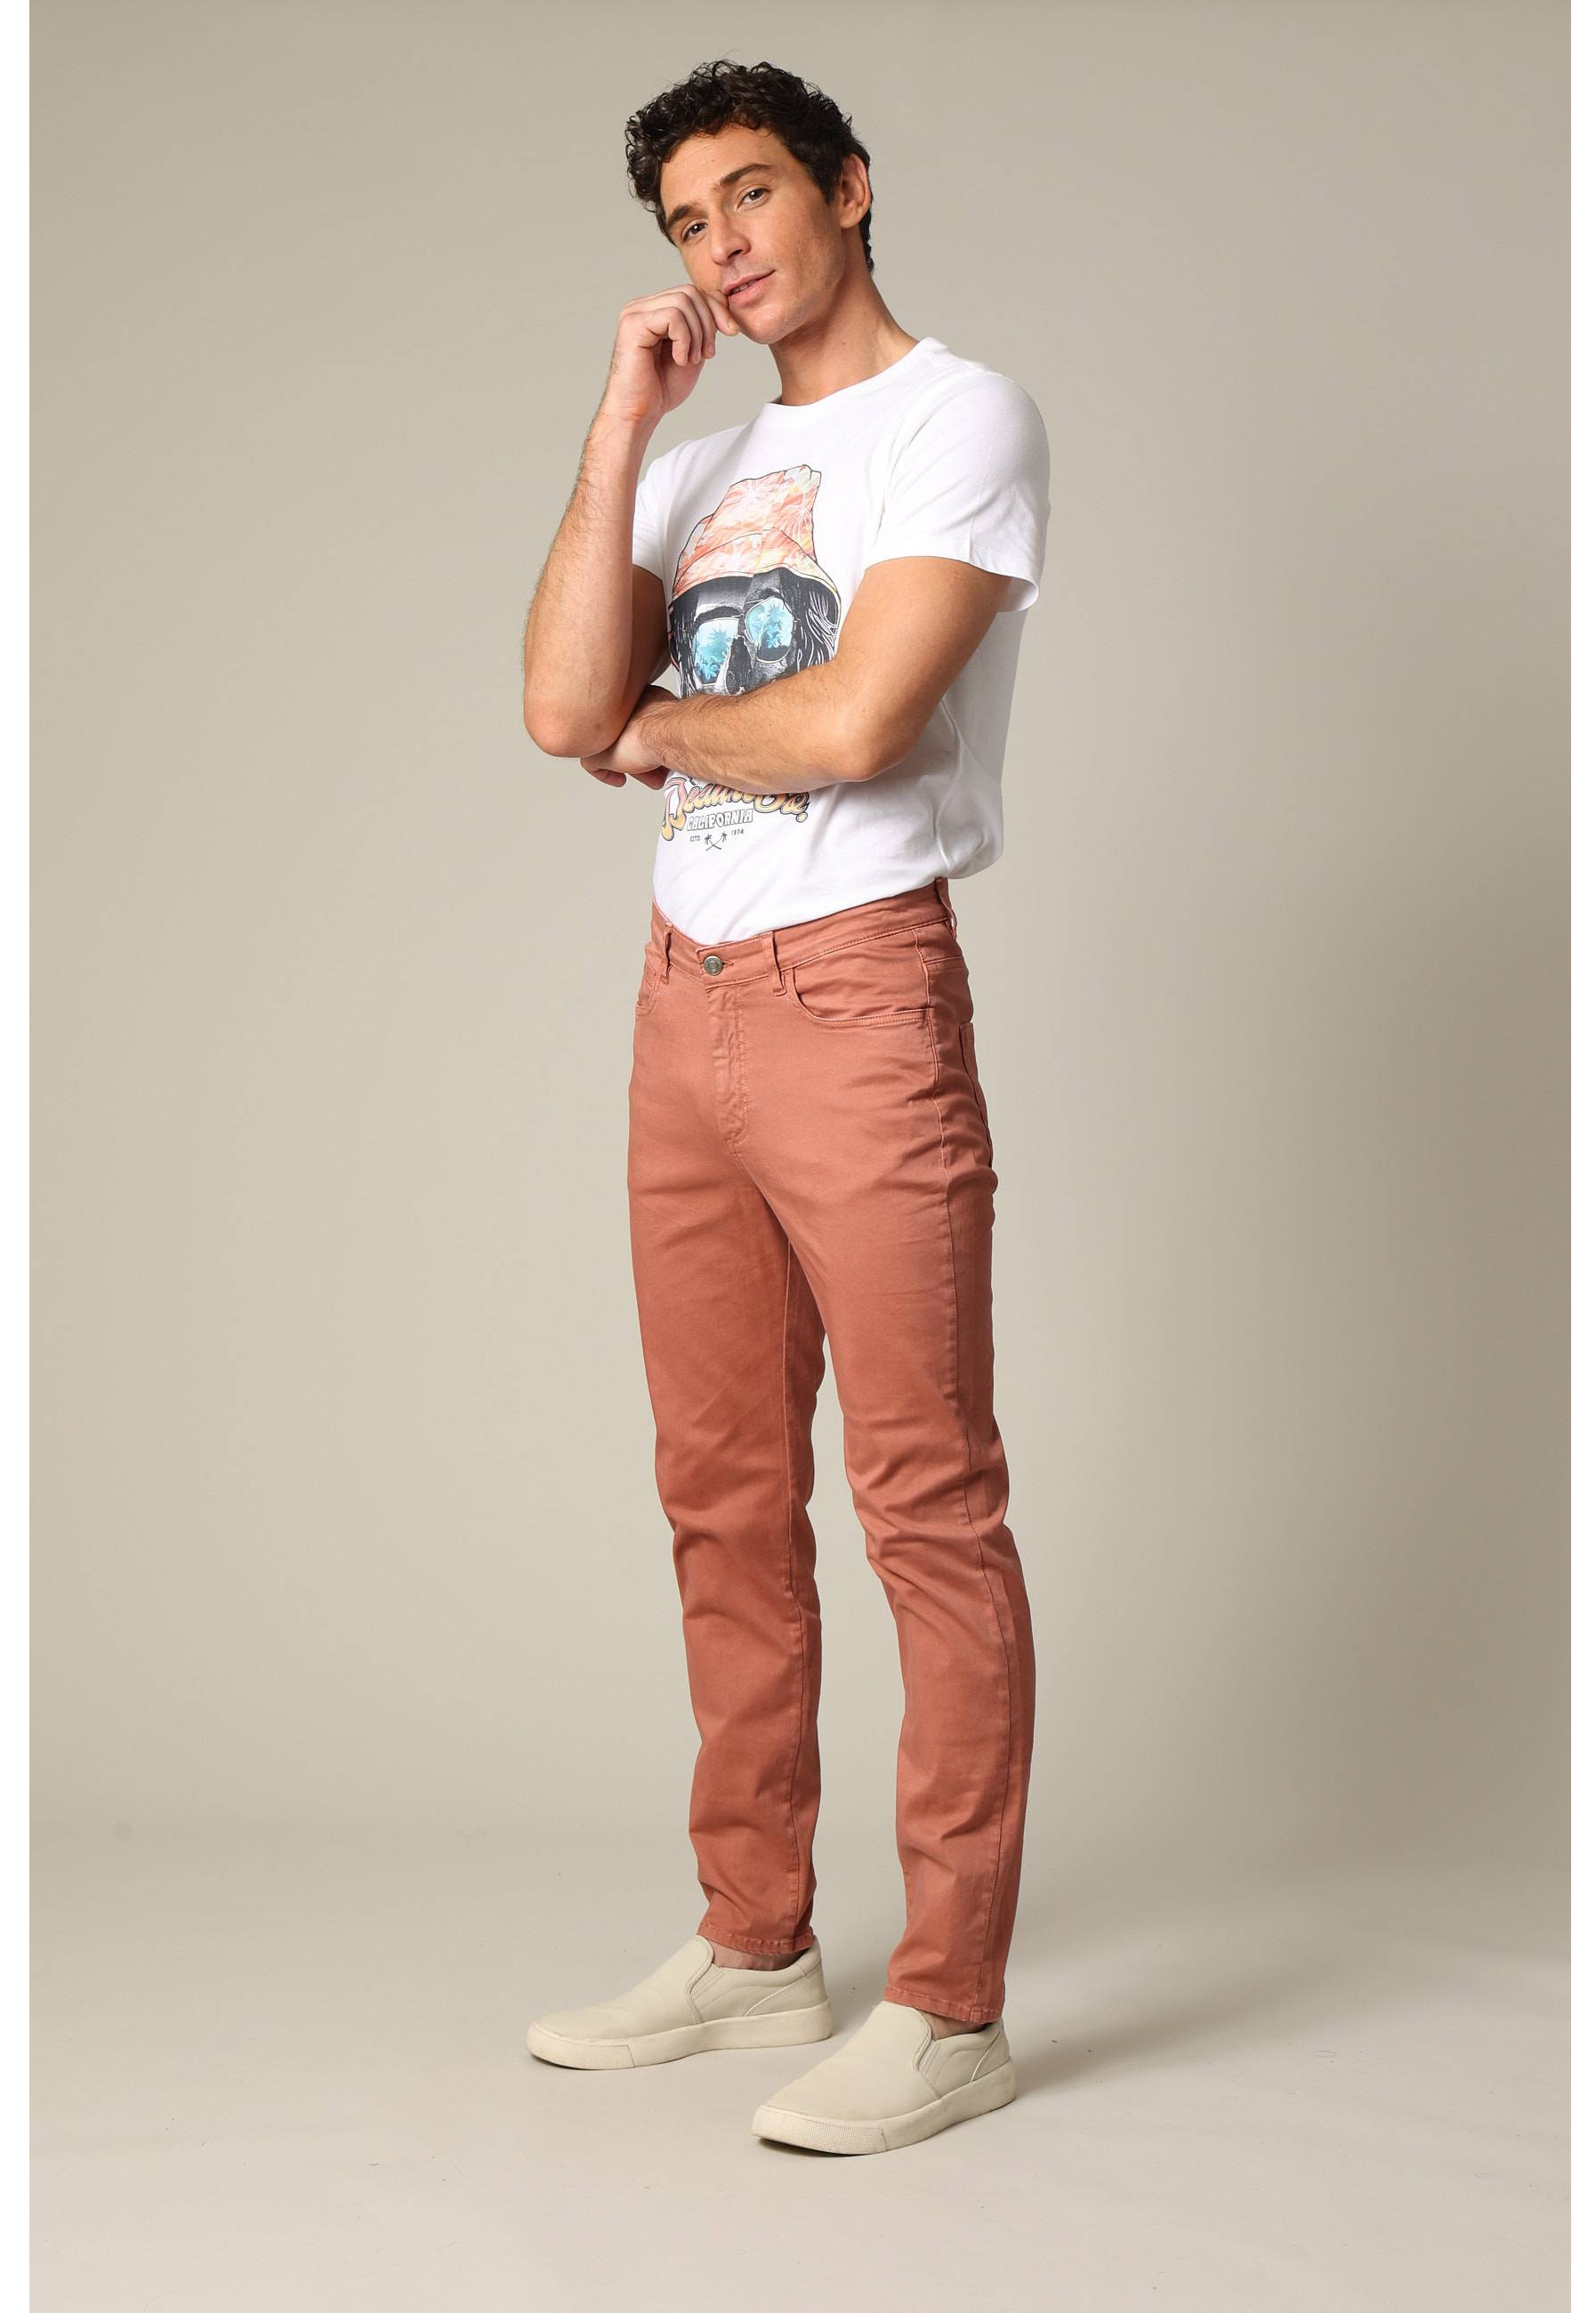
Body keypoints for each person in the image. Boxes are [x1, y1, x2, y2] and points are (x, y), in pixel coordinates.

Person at [520, 56, 1049, 2156]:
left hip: (858, 995)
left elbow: (855, 725)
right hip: (688, 1004)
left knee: (926, 1500)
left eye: (749, 195)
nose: (722, 246)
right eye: (684, 222)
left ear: (846, 187)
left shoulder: (960, 418)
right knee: (722, 1495)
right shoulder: (688, 461)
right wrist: (620, 424)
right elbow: (557, 706)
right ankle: (756, 1947)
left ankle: (953, 2003)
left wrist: (666, 726)